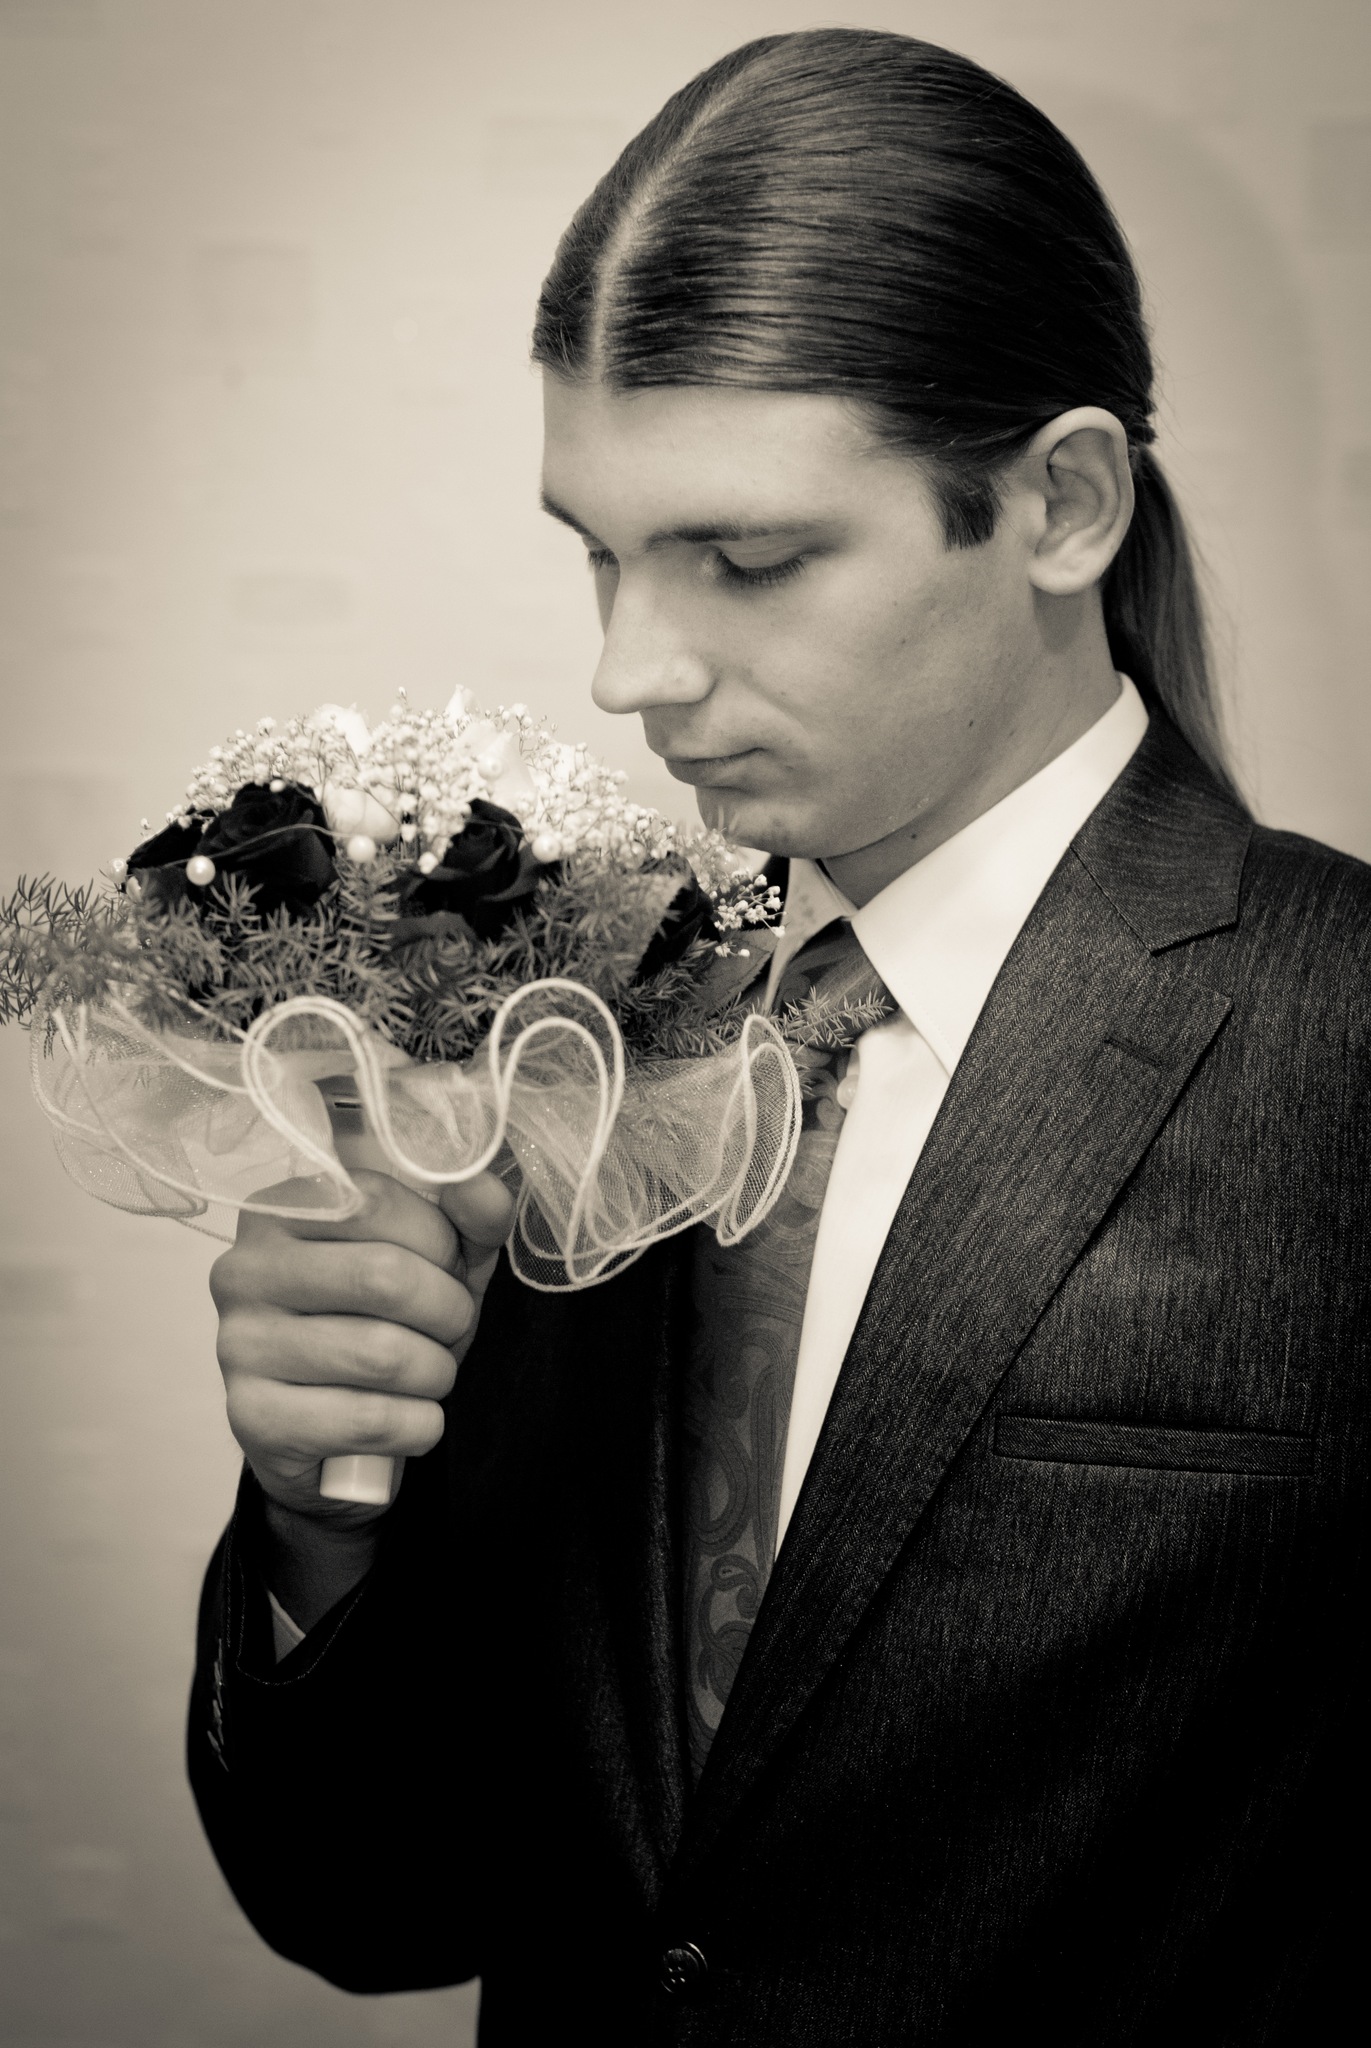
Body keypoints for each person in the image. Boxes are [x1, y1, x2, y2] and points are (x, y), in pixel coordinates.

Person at [191, 29, 1367, 2044]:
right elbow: (374, 1898)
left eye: (742, 560)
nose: (627, 669)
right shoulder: (560, 1034)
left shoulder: (1338, 1041)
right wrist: (320, 1510)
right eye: (599, 550)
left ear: (1061, 502)